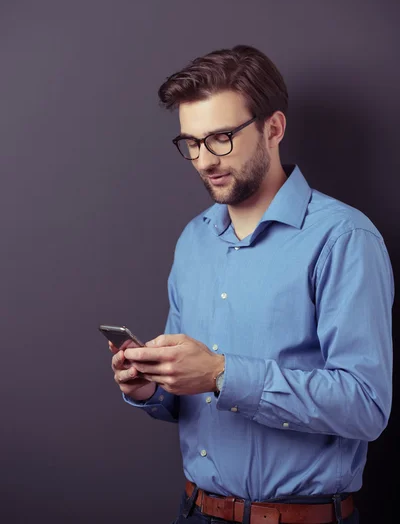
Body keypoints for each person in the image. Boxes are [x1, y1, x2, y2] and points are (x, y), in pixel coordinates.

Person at [109, 45, 394, 524]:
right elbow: (187, 397)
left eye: (221, 138)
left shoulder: (344, 238)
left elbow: (366, 406)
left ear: (273, 128)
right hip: (194, 511)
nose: (203, 160)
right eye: (191, 143)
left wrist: (223, 373)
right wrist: (150, 388)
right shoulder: (193, 240)